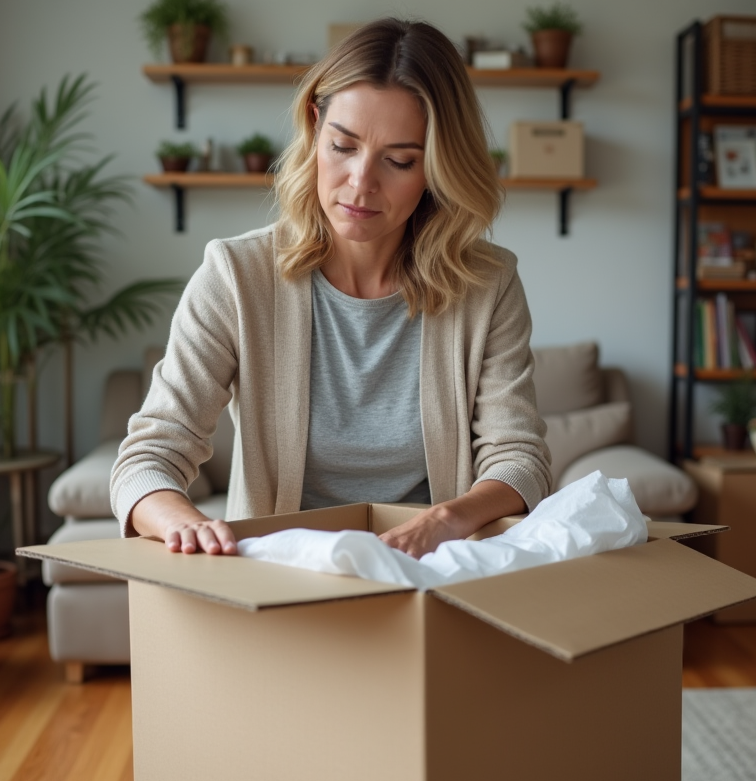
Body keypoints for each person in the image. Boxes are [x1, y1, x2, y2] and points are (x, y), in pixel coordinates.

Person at [111, 18, 550, 559]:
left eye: (399, 160)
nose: (361, 183)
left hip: (434, 571)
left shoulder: (488, 284)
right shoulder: (235, 276)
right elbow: (148, 458)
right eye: (343, 145)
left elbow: (519, 460)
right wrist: (186, 524)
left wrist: (443, 521)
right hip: (279, 580)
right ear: (315, 127)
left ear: (437, 167)